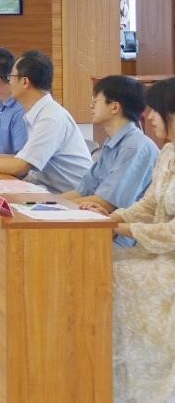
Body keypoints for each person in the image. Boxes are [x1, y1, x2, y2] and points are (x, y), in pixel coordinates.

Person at [104, 78, 175, 402]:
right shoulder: (168, 152)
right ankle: (114, 382)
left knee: (115, 276)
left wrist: (124, 230)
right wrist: (113, 219)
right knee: (101, 266)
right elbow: (149, 204)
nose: (149, 116)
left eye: (156, 110)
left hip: (168, 260)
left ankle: (146, 389)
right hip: (156, 252)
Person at [0, 50, 91, 193]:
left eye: (12, 77)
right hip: (44, 187)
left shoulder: (50, 118)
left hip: (70, 196)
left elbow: (20, 166)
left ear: (25, 82)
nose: (9, 81)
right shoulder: (36, 112)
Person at [63, 76, 158, 245]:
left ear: (114, 107)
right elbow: (82, 191)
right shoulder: (111, 143)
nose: (91, 105)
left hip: (124, 237)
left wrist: (54, 207)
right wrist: (42, 204)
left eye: (96, 101)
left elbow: (106, 203)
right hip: (101, 225)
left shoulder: (135, 147)